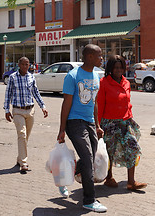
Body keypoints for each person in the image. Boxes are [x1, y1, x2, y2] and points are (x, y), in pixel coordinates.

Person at [57, 44, 107, 213]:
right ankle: (89, 200)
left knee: (89, 159)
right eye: (100, 56)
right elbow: (66, 103)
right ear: (90, 57)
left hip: (90, 122)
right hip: (74, 122)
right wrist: (62, 129)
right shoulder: (72, 76)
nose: (102, 58)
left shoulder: (95, 75)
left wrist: (98, 125)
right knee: (87, 158)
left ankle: (63, 176)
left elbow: (94, 102)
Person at [97, 55, 147, 191]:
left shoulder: (126, 83)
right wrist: (97, 126)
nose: (118, 70)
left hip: (125, 123)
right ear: (111, 69)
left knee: (132, 148)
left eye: (121, 67)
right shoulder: (103, 83)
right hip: (109, 123)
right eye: (116, 67)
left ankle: (131, 182)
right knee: (109, 152)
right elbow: (99, 105)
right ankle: (109, 178)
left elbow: (127, 103)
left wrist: (130, 118)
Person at [3, 57, 48, 173]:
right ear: (19, 65)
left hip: (30, 111)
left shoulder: (31, 77)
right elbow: (8, 94)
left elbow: (36, 93)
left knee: (25, 137)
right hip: (18, 111)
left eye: (27, 64)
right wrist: (6, 110)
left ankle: (19, 158)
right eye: (23, 64)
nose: (25, 67)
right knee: (22, 135)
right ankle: (23, 163)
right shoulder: (13, 78)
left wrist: (43, 107)